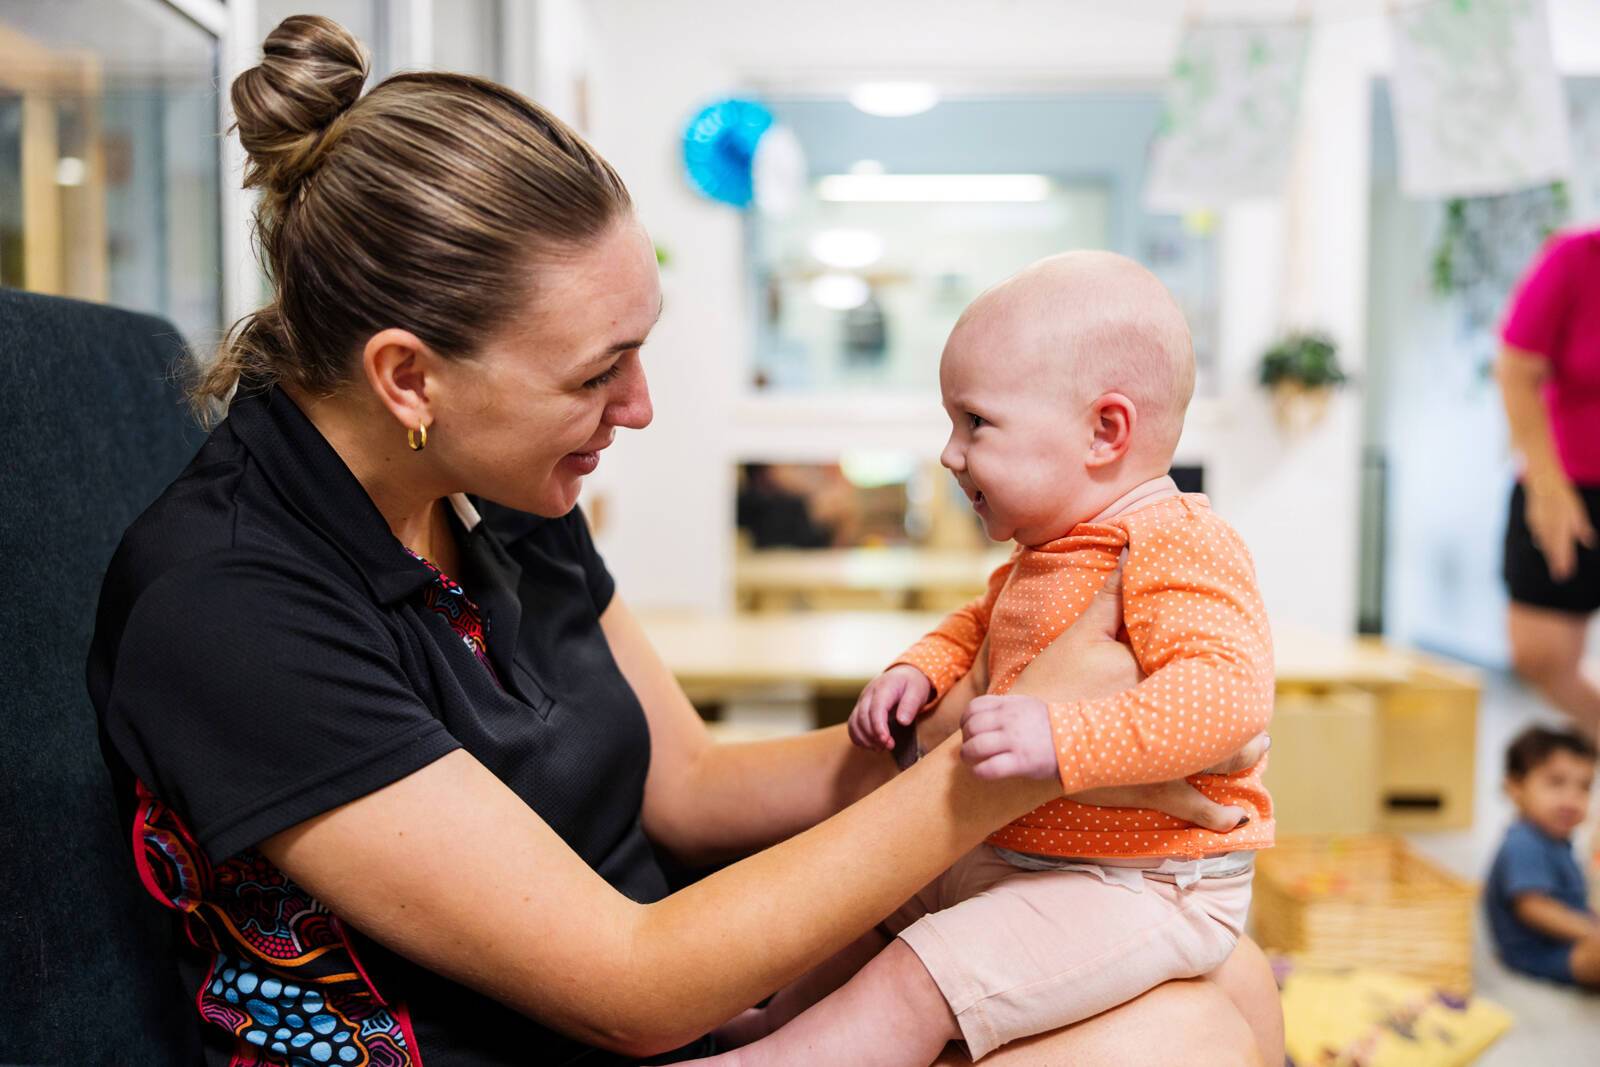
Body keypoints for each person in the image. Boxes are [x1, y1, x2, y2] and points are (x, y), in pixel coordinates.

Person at [86, 16, 1279, 1066]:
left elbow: (691, 785)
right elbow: (632, 990)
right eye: (598, 372)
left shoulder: (491, 482)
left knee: (1223, 970)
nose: (642, 406)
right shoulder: (230, 604)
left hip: (679, 967)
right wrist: (1002, 771)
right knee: (1179, 1030)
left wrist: (982, 718)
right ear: (410, 377)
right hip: (595, 1014)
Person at [703, 253, 1273, 1065]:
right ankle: (777, 1027)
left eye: (975, 422)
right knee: (886, 906)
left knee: (920, 975)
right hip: (1038, 854)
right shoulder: (1053, 551)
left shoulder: (1178, 542)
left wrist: (1064, 739)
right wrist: (921, 670)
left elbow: (1228, 697)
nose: (949, 452)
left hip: (1144, 885)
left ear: (1104, 431)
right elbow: (979, 623)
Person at [1496, 227, 1600, 735]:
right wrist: (1547, 485)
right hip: (1569, 483)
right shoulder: (1575, 258)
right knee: (1540, 654)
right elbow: (1516, 370)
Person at [1484, 725, 1600, 987]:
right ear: (1515, 788)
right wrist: (1592, 931)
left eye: (1585, 787)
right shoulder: (1524, 843)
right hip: (1541, 953)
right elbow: (1534, 908)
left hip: (1566, 940)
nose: (1572, 798)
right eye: (1556, 783)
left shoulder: (1556, 841)